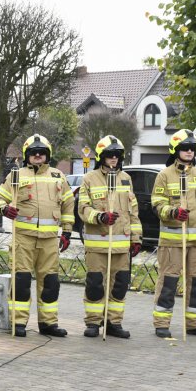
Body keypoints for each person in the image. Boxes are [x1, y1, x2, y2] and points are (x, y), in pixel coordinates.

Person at [0, 134, 74, 337]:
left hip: (49, 241)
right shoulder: (16, 176)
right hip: (24, 238)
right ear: (27, 156)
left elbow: (68, 205)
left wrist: (67, 231)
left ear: (48, 155)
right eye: (33, 152)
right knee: (21, 281)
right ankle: (18, 322)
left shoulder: (58, 176)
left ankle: (48, 323)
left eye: (42, 152)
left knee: (50, 282)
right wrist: (4, 210)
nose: (38, 155)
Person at [150, 129, 196, 338]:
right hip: (172, 242)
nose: (189, 151)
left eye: (192, 148)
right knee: (168, 282)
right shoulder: (164, 175)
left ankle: (194, 324)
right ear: (175, 150)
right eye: (185, 148)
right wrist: (173, 212)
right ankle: (162, 323)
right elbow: (157, 205)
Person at [77, 135, 143, 338]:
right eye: (109, 155)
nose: (114, 159)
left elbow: (133, 212)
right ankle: (93, 323)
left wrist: (136, 238)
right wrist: (101, 217)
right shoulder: (89, 179)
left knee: (120, 285)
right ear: (101, 156)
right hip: (98, 244)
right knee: (96, 284)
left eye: (117, 155)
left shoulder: (126, 179)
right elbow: (83, 209)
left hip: (121, 244)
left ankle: (114, 322)